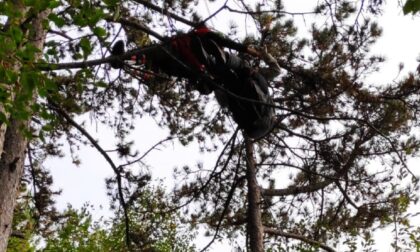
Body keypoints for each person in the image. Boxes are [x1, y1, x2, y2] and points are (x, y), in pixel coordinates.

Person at [110, 25, 280, 139]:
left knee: (165, 57)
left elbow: (274, 70)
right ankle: (124, 59)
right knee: (165, 60)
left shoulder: (258, 92)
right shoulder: (247, 106)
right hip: (207, 72)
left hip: (213, 70)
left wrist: (264, 55)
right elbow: (220, 97)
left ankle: (125, 59)